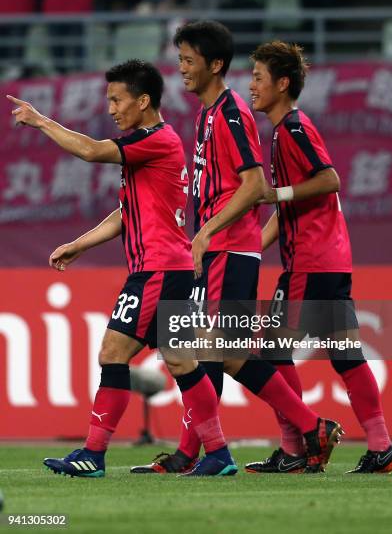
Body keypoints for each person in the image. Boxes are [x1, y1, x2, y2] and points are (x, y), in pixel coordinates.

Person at [130, 20, 344, 476]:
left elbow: (254, 185)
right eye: (181, 59)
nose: (182, 69)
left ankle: (308, 427)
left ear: (215, 64)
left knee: (218, 351)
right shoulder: (209, 113)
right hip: (223, 249)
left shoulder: (229, 113)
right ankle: (199, 450)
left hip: (230, 248)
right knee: (207, 350)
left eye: (189, 61)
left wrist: (207, 233)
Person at [7, 59, 238, 478]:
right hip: (171, 267)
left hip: (157, 270)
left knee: (113, 353)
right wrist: (79, 244)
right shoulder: (152, 145)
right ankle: (219, 453)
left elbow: (93, 151)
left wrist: (42, 121)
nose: (111, 108)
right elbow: (124, 213)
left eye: (117, 99)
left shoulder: (157, 141)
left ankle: (93, 454)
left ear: (143, 100)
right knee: (183, 362)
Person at [244, 40, 392, 474]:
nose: (251, 85)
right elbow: (289, 206)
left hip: (309, 262)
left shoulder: (293, 128)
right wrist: (251, 247)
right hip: (331, 260)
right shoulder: (284, 131)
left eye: (258, 77)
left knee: (270, 352)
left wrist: (277, 193)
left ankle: (295, 448)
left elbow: (329, 179)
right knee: (345, 354)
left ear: (282, 83)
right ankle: (381, 446)